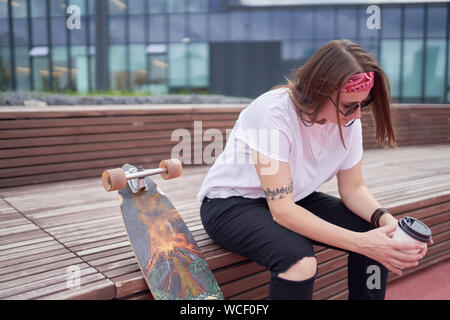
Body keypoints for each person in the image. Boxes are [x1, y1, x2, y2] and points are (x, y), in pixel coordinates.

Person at [196, 39, 431, 300]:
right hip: (231, 204)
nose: (357, 115)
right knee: (300, 261)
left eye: (362, 104)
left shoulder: (348, 123)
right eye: (349, 106)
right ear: (320, 91)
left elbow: (354, 189)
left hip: (291, 198)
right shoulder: (272, 113)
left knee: (376, 234)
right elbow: (283, 211)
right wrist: (363, 244)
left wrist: (387, 222)